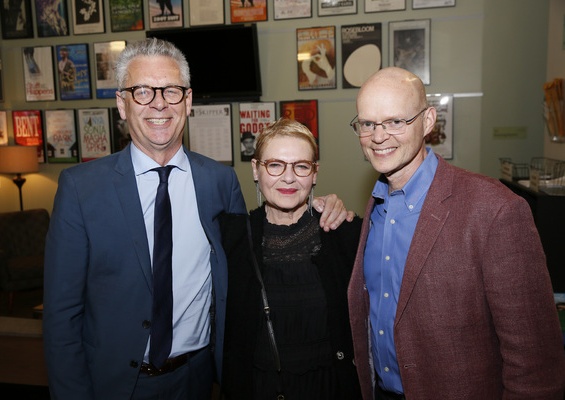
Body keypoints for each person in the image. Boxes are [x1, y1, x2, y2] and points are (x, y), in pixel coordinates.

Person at [43, 38, 350, 400]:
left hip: (199, 379)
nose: (159, 103)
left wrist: (327, 209)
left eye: (171, 91)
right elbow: (61, 315)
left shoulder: (218, 182)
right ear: (122, 105)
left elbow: (251, 262)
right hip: (113, 384)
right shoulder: (81, 189)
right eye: (142, 91)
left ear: (187, 102)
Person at [347, 66, 565, 399]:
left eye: (395, 121)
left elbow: (535, 361)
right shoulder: (377, 206)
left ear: (428, 121)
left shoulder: (495, 209)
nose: (379, 136)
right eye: (367, 124)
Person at [219, 118, 363, 400]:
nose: (288, 177)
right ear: (256, 170)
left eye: (301, 166)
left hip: (331, 388)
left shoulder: (345, 234)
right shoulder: (231, 238)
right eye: (275, 165)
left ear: (315, 173)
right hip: (258, 389)